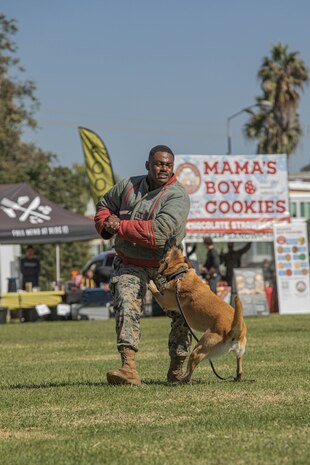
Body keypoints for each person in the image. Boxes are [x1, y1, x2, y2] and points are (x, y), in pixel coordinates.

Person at [94, 145, 191, 386]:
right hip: (130, 262)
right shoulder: (127, 186)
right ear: (148, 165)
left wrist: (120, 227)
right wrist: (106, 223)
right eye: (159, 164)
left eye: (168, 165)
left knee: (184, 311)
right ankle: (128, 368)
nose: (164, 169)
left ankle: (178, 368)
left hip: (165, 266)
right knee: (127, 303)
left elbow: (158, 233)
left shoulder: (177, 196)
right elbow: (104, 205)